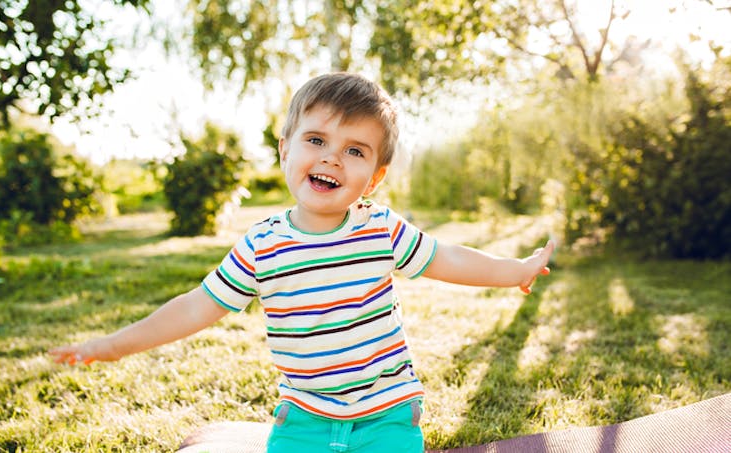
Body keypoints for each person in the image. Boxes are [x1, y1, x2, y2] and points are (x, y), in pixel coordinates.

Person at [50, 72, 554, 452]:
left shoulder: (378, 229)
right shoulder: (261, 246)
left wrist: (516, 270)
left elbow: (447, 258)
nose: (332, 158)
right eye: (317, 141)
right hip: (303, 420)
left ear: (374, 178)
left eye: (354, 150)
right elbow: (196, 307)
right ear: (285, 149)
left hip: (388, 416)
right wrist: (114, 345)